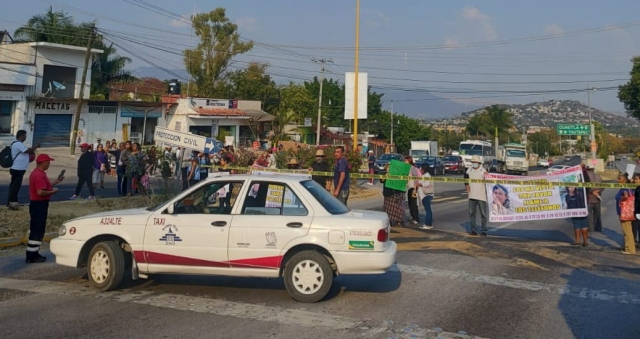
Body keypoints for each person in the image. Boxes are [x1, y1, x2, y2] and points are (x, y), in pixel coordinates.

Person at [26, 154, 63, 263]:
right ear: (43, 162)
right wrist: (53, 192)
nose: (49, 164)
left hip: (37, 204)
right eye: (48, 162)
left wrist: (55, 182)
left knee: (36, 229)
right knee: (37, 230)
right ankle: (32, 256)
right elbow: (40, 192)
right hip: (39, 204)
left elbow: (43, 186)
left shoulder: (37, 173)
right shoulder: (39, 175)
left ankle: (33, 253)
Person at [7, 130, 39, 210]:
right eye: (25, 136)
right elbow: (27, 151)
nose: (25, 138)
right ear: (21, 136)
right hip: (17, 168)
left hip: (18, 168)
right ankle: (12, 202)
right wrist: (36, 146)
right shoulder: (17, 144)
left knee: (15, 185)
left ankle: (13, 201)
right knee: (15, 186)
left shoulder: (18, 144)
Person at [464, 155, 488, 236]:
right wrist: (467, 186)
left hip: (481, 196)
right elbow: (465, 179)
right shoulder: (469, 170)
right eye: (473, 162)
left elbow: (488, 181)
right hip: (472, 195)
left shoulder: (483, 171)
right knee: (471, 213)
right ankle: (473, 230)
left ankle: (483, 230)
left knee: (483, 215)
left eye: (475, 162)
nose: (474, 163)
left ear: (478, 163)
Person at [615, 173, 636, 254]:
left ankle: (630, 249)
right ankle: (628, 247)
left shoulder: (624, 188)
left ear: (625, 180)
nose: (618, 180)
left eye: (620, 179)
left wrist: (621, 199)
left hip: (624, 212)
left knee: (627, 231)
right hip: (628, 212)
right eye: (617, 178)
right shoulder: (628, 187)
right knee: (627, 230)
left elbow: (626, 196)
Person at [585, 164, 603, 232]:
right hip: (597, 198)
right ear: (593, 169)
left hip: (589, 198)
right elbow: (604, 185)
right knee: (597, 213)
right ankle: (598, 227)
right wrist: (598, 191)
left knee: (589, 214)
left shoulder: (586, 176)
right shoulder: (598, 176)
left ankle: (591, 228)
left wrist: (592, 192)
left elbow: (585, 187)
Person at [417, 163, 434, 230]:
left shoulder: (426, 176)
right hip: (425, 194)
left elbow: (426, 184)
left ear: (424, 169)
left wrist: (420, 184)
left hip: (426, 194)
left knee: (428, 210)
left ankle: (428, 224)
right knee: (428, 210)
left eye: (421, 168)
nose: (420, 170)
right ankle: (429, 224)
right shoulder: (425, 175)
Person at [405, 156, 421, 225]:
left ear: (409, 161)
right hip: (409, 187)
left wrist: (415, 187)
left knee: (414, 204)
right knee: (410, 203)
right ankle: (412, 216)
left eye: (406, 161)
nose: (404, 162)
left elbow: (416, 177)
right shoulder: (406, 168)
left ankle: (416, 218)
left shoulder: (412, 168)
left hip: (413, 188)